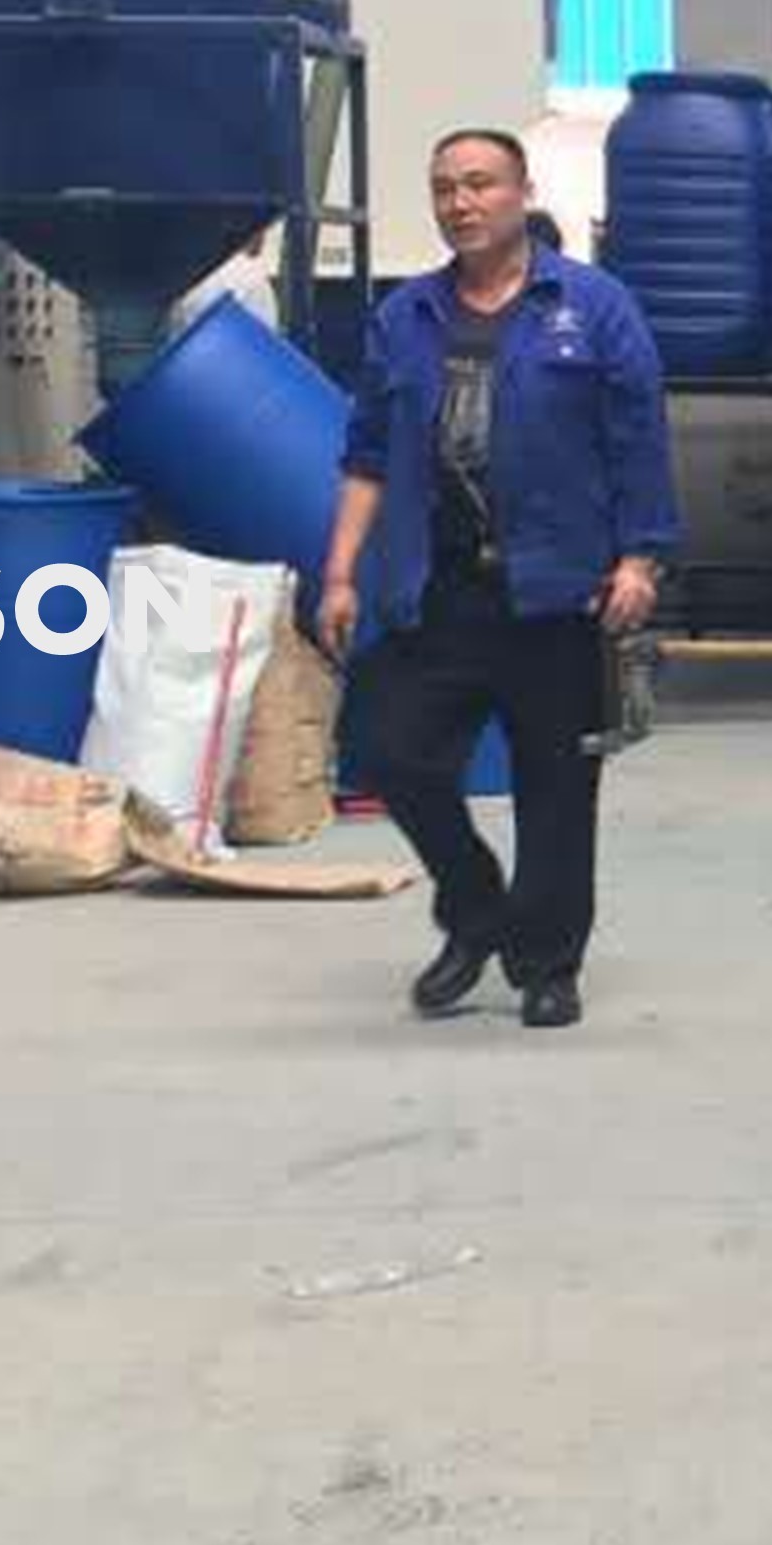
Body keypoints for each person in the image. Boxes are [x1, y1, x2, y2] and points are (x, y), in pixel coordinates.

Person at [317, 127, 679, 1028]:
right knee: (386, 748)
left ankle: (547, 964)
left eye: (480, 183)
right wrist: (340, 574)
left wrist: (640, 558)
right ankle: (477, 906)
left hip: (558, 588)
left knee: (555, 788)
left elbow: (638, 441)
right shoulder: (405, 317)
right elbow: (366, 456)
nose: (461, 202)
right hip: (437, 586)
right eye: (445, 187)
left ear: (522, 193)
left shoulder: (592, 307)